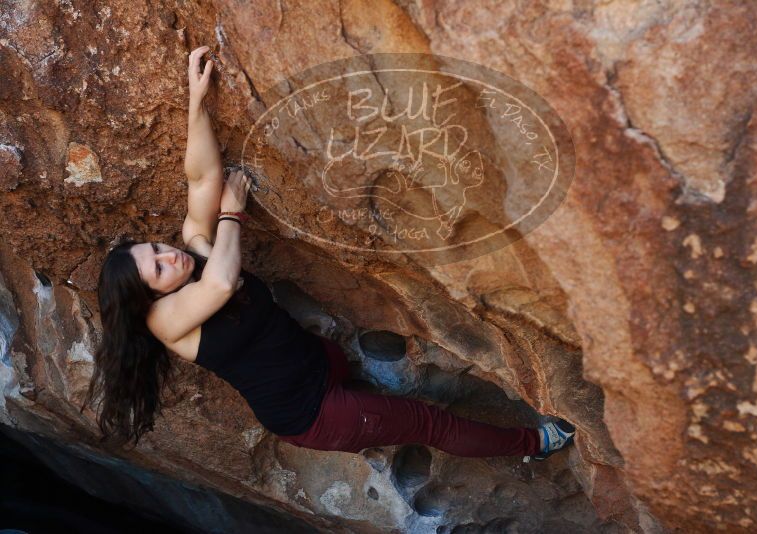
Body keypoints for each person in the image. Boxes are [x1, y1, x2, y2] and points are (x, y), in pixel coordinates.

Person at [83, 46, 576, 460]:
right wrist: (232, 215)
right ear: (150, 297)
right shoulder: (165, 321)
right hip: (314, 414)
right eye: (158, 268)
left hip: (321, 364)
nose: (170, 256)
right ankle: (535, 442)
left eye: (156, 248)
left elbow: (202, 178)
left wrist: (195, 102)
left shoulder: (194, 249)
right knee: (431, 425)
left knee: (368, 389)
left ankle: (373, 402)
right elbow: (222, 283)